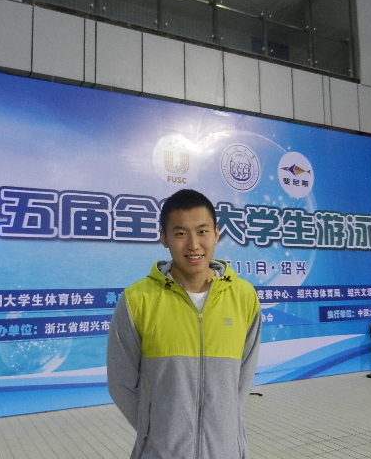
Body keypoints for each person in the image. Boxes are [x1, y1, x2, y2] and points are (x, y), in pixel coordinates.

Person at [107, 188, 262, 459]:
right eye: (180, 233)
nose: (193, 245)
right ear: (164, 239)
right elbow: (121, 383)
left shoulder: (244, 296)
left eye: (202, 231)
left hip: (225, 451)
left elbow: (242, 379)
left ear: (216, 233)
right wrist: (156, 431)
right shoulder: (137, 300)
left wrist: (223, 430)